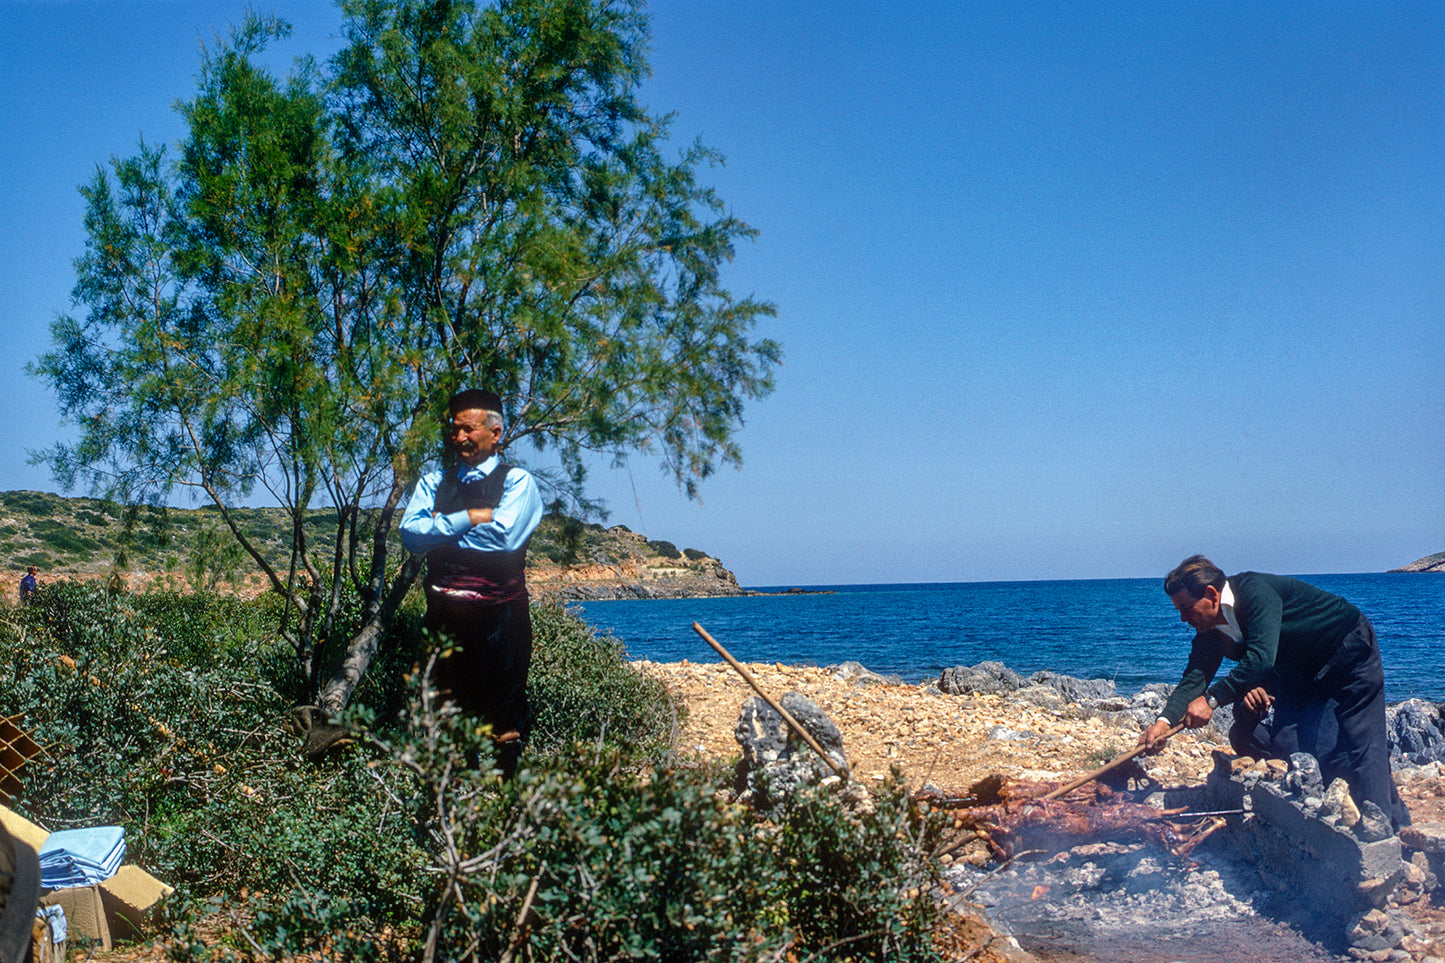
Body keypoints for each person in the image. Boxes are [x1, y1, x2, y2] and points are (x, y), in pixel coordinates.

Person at [1140, 555, 1407, 829]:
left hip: (1348, 650)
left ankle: (1384, 833)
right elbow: (1194, 676)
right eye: (1179, 611)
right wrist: (1163, 723)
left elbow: (1261, 658)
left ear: (1211, 594)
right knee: (1287, 742)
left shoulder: (1255, 592)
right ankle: (1334, 820)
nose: (1184, 618)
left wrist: (1212, 699)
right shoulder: (1209, 630)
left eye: (1186, 608)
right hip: (1300, 670)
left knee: (1362, 742)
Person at [400, 389, 543, 777]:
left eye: (468, 429)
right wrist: (471, 517)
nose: (458, 437)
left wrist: (440, 530)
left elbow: (505, 539)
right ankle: (453, 812)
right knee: (446, 712)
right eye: (454, 430)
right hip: (443, 617)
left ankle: (507, 808)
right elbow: (410, 535)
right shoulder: (434, 482)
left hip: (502, 621)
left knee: (504, 719)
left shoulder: (519, 483)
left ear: (495, 433)